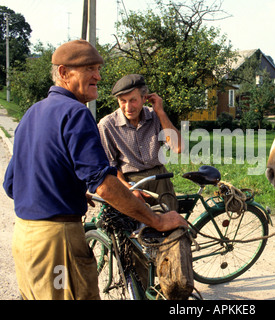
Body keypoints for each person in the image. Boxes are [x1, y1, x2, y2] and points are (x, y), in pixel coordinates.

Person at [3, 40, 186, 300]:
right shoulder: (76, 113)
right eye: (89, 69)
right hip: (58, 245)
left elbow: (12, 184)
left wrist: (67, 193)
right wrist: (156, 220)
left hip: (25, 241)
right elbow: (104, 184)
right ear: (64, 73)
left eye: (98, 68)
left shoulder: (32, 113)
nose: (98, 76)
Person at [98, 74, 182, 211]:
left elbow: (177, 147)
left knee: (172, 227)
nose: (128, 107)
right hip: (130, 183)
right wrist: (129, 190)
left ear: (144, 98)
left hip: (160, 181)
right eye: (122, 101)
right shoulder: (107, 125)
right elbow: (110, 166)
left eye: (133, 100)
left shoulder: (155, 116)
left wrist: (160, 112)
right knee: (138, 231)